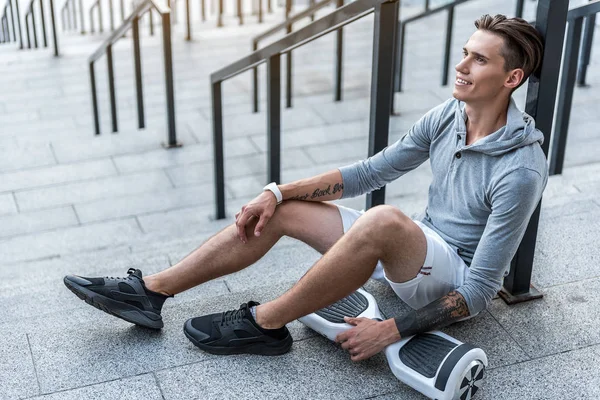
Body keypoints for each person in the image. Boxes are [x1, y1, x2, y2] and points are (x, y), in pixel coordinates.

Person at [64, 14, 547, 362]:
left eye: (478, 59)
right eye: (464, 52)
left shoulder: (520, 170)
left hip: (447, 277)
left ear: (512, 78)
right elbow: (368, 172)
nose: (461, 65)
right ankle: (150, 292)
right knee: (284, 210)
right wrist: (276, 191)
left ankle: (265, 324)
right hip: (413, 251)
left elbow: (479, 291)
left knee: (384, 219)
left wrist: (390, 330)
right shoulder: (449, 115)